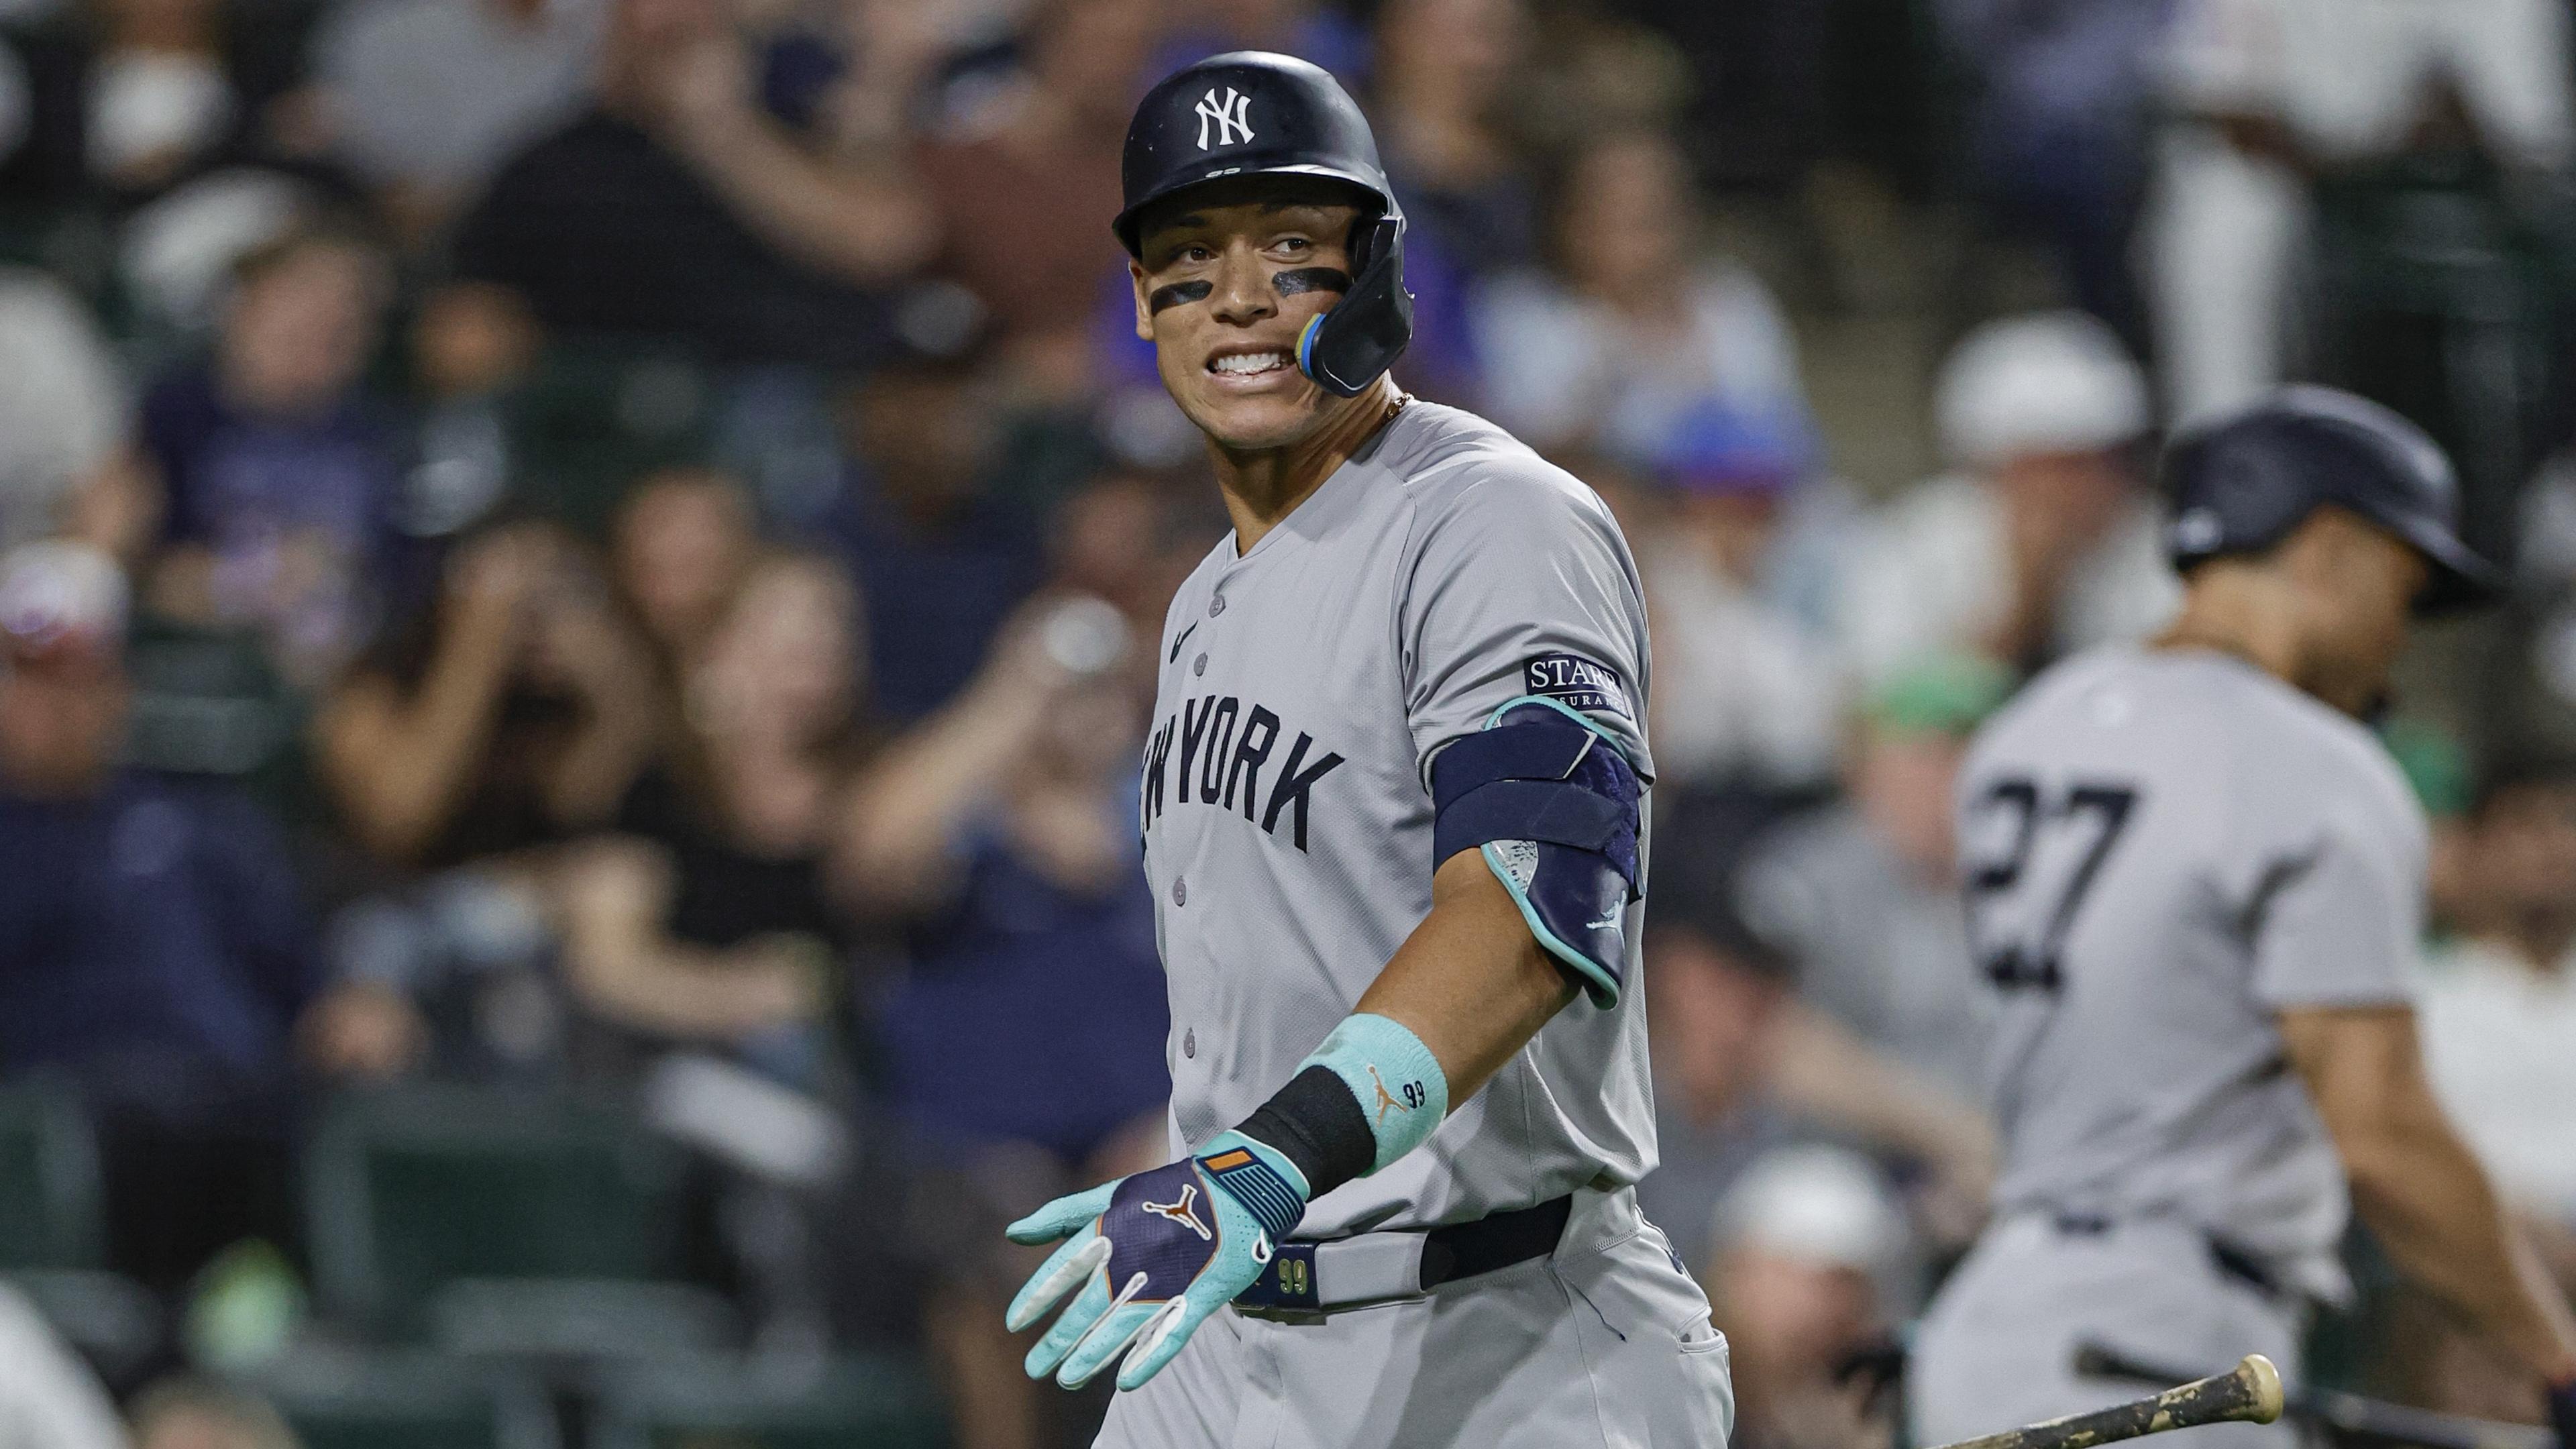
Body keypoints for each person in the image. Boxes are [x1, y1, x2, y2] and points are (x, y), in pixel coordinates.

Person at [998, 53, 1729, 1446]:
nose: (1241, 296)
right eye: (1189, 254)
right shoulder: (1205, 596)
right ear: (1143, 304)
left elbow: (1531, 911)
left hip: (1494, 1341)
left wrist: (1271, 1162)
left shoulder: (1494, 521)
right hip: (1219, 1339)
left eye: (1291, 245)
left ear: (1379, 271)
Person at [1909, 387, 2576, 1449]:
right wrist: (2555, 1355)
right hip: (2166, 1338)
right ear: (2329, 549)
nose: (2400, 639)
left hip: (1993, 1312)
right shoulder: (2317, 767)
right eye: (2404, 588)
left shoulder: (2028, 728)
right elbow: (2384, 1132)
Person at [0, 541, 418, 1291]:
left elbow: (306, 974)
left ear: (117, 689)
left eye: (78, 679)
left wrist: (351, 1001)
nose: (55, 708)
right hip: (76, 1113)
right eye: (28, 682)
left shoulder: (195, 824)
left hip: (243, 1106)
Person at [1839, 311, 2174, 686]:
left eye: (2106, 460)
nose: (2093, 485)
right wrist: (2026, 604)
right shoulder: (1916, 542)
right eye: (2064, 466)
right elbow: (1888, 713)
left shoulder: (2153, 540)